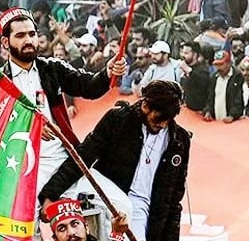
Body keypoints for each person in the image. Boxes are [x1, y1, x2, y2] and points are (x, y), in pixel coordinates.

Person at [0, 7, 127, 233]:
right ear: (5, 42)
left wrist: (107, 73)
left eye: (31, 34)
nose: (28, 40)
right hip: (22, 167)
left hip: (66, 162)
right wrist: (30, 127)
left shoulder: (53, 68)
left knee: (120, 206)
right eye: (20, 36)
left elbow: (89, 87)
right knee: (24, 229)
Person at [40, 80, 190, 241]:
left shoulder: (179, 141)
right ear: (146, 106)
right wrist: (50, 194)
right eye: (160, 118)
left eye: (169, 119)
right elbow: (83, 157)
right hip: (112, 205)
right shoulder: (118, 120)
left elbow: (173, 199)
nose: (163, 124)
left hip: (149, 214)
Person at [204, 50, 244, 122]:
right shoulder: (214, 77)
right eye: (216, 65)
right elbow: (210, 97)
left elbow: (239, 99)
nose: (218, 68)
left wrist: (232, 115)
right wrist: (208, 111)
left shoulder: (238, 77)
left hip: (232, 122)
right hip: (216, 121)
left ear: (229, 63)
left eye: (221, 64)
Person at [179, 41, 210, 112]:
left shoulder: (202, 70)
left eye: (186, 53)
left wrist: (189, 71)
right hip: (187, 110)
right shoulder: (184, 70)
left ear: (195, 55)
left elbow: (202, 85)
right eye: (183, 52)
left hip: (198, 112)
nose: (183, 55)